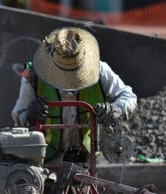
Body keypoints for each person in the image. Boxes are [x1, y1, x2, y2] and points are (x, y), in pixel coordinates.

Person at [11, 26, 137, 164]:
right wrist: (30, 114)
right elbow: (18, 117)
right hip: (47, 159)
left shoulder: (100, 70)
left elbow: (129, 96)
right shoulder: (32, 75)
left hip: (90, 156)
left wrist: (115, 109)